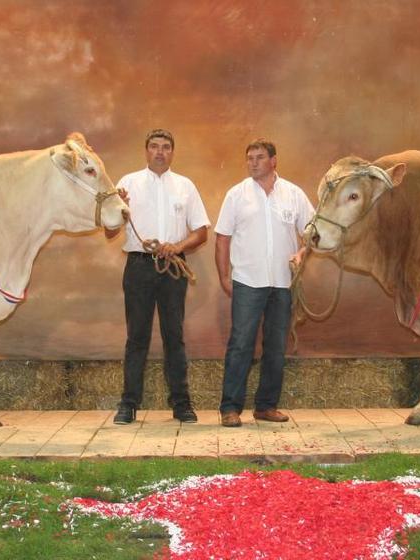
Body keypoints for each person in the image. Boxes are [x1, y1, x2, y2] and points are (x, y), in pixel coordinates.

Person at [107, 129, 210, 424]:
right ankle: (128, 404)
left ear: (172, 152)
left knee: (174, 336)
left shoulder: (185, 186)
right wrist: (118, 208)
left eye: (166, 147)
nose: (160, 152)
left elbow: (201, 231)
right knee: (136, 336)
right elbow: (110, 230)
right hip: (139, 266)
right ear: (146, 151)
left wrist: (176, 247)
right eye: (154, 146)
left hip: (172, 267)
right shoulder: (127, 184)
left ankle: (182, 404)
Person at [214, 138, 314, 427]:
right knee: (241, 344)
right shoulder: (236, 195)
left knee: (275, 346)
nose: (253, 162)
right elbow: (222, 238)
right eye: (249, 158)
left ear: (273, 161)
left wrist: (301, 252)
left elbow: (312, 234)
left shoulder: (294, 195)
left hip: (282, 283)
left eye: (259, 157)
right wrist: (223, 276)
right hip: (247, 280)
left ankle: (266, 406)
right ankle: (230, 409)